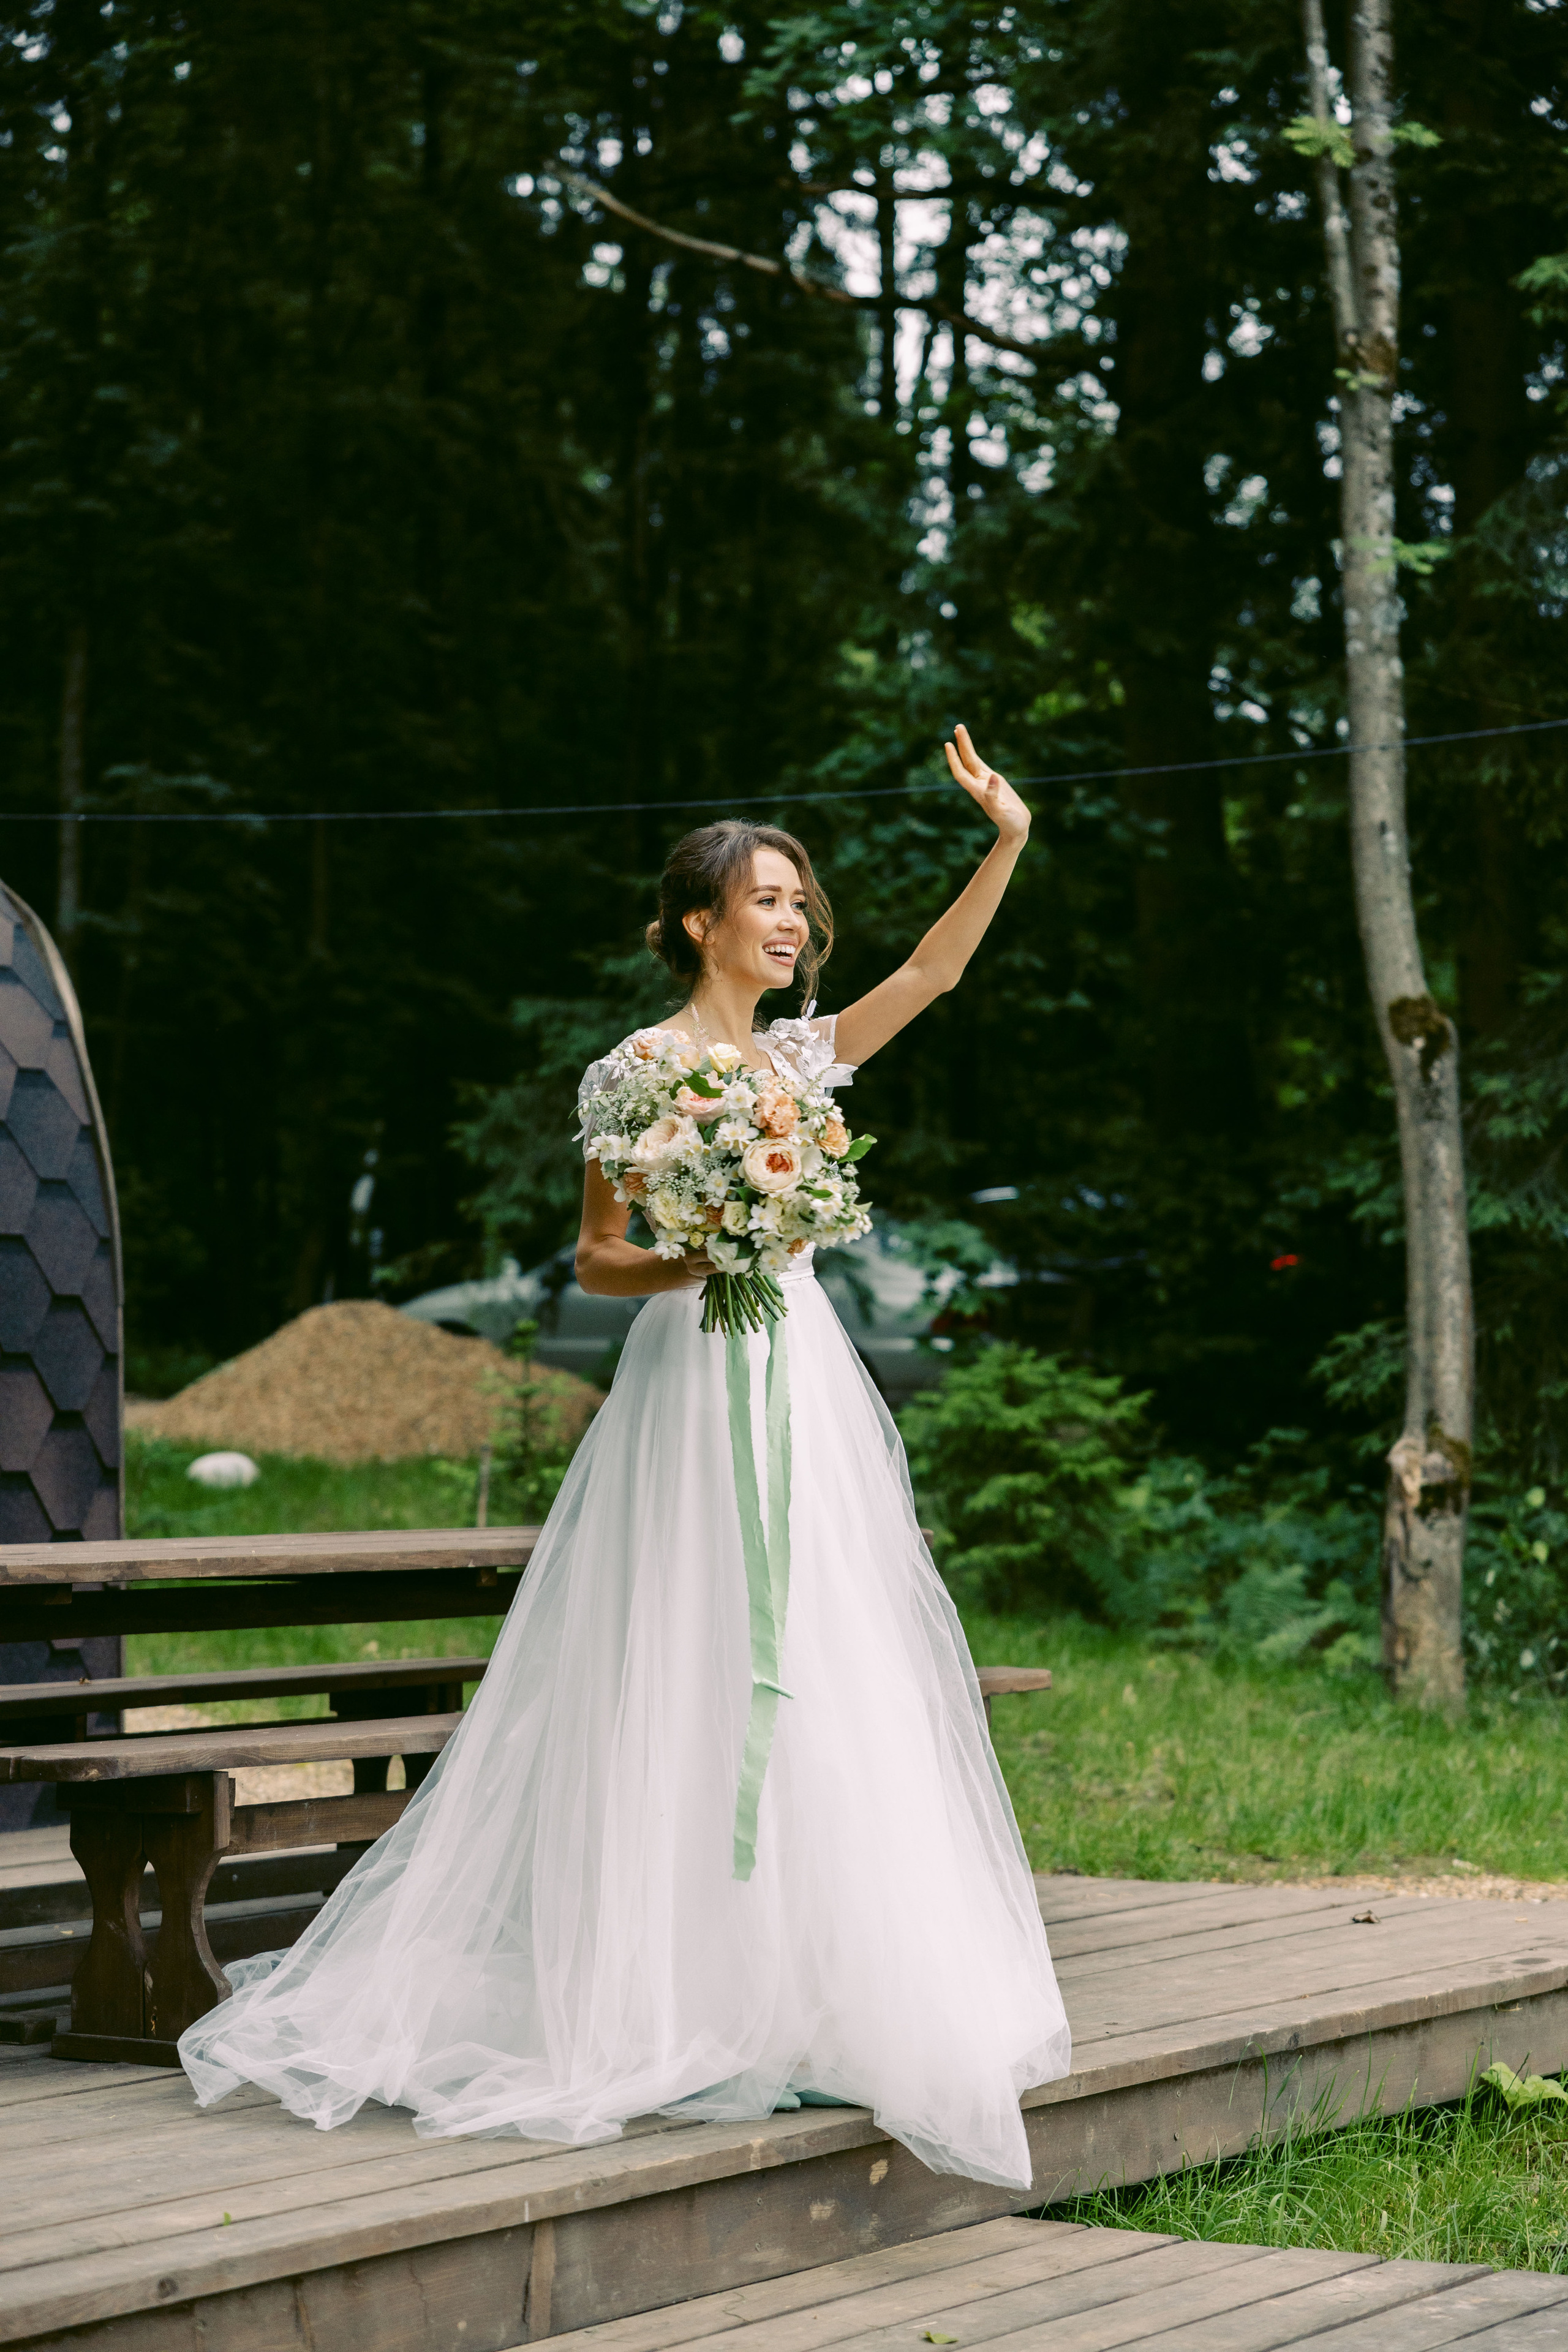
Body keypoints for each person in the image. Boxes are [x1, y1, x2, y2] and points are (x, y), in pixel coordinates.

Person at [178, 725, 1071, 2192]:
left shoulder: (798, 1056)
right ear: (696, 924)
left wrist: (1007, 841)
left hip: (802, 1377)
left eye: (801, 902)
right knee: (682, 1651)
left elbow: (933, 978)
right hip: (690, 1377)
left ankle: (813, 1991)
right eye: (765, 901)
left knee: (828, 1652)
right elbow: (599, 1263)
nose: (791, 923)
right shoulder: (634, 1071)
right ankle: (663, 1996)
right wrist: (706, 1248)